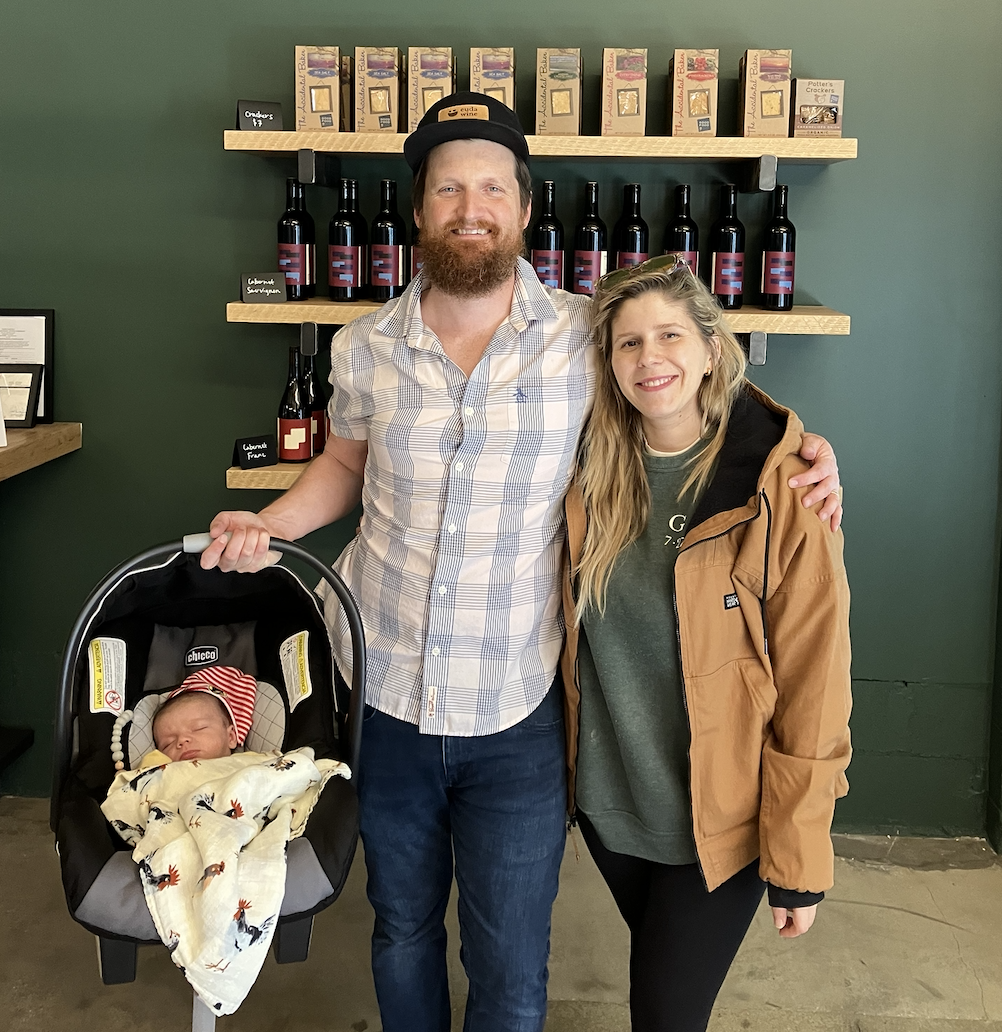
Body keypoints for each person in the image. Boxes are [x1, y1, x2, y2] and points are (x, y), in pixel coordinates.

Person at [198, 93, 843, 1032]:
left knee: (509, 953)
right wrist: (272, 524)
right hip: (384, 695)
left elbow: (697, 388)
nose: (471, 205)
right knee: (402, 927)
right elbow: (342, 463)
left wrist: (808, 452)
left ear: (523, 207)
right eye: (449, 186)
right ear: (419, 209)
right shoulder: (364, 347)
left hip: (519, 712)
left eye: (491, 186)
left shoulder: (587, 337)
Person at [560, 254, 851, 1032]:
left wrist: (799, 860)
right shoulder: (580, 469)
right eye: (627, 343)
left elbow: (814, 681)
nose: (649, 359)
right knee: (664, 984)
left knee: (664, 1012)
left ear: (712, 349)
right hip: (611, 806)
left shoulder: (780, 486)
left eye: (669, 336)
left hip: (722, 819)